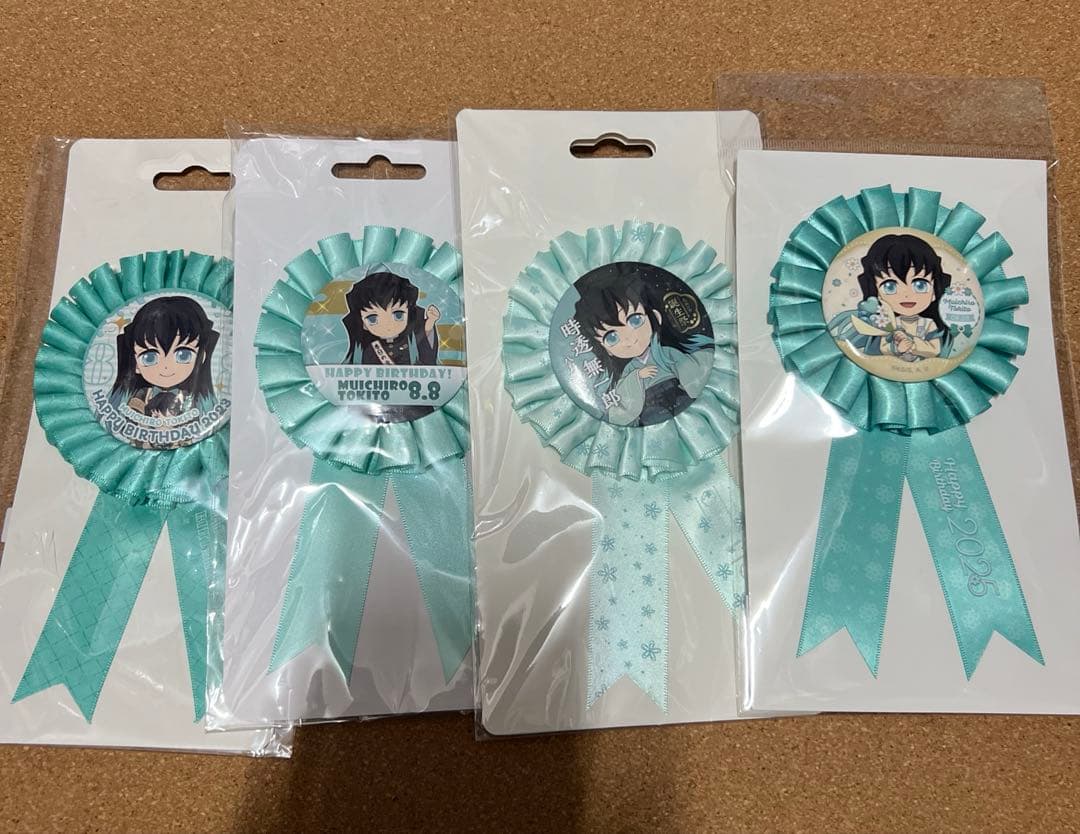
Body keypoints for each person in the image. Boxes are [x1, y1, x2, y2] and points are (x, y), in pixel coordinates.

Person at [573, 264, 713, 427]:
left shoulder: (665, 353)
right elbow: (623, 394)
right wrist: (637, 375)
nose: (629, 338)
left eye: (635, 320)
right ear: (604, 349)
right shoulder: (630, 368)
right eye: (612, 337)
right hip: (650, 405)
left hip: (677, 394)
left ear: (655, 317)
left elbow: (688, 371)